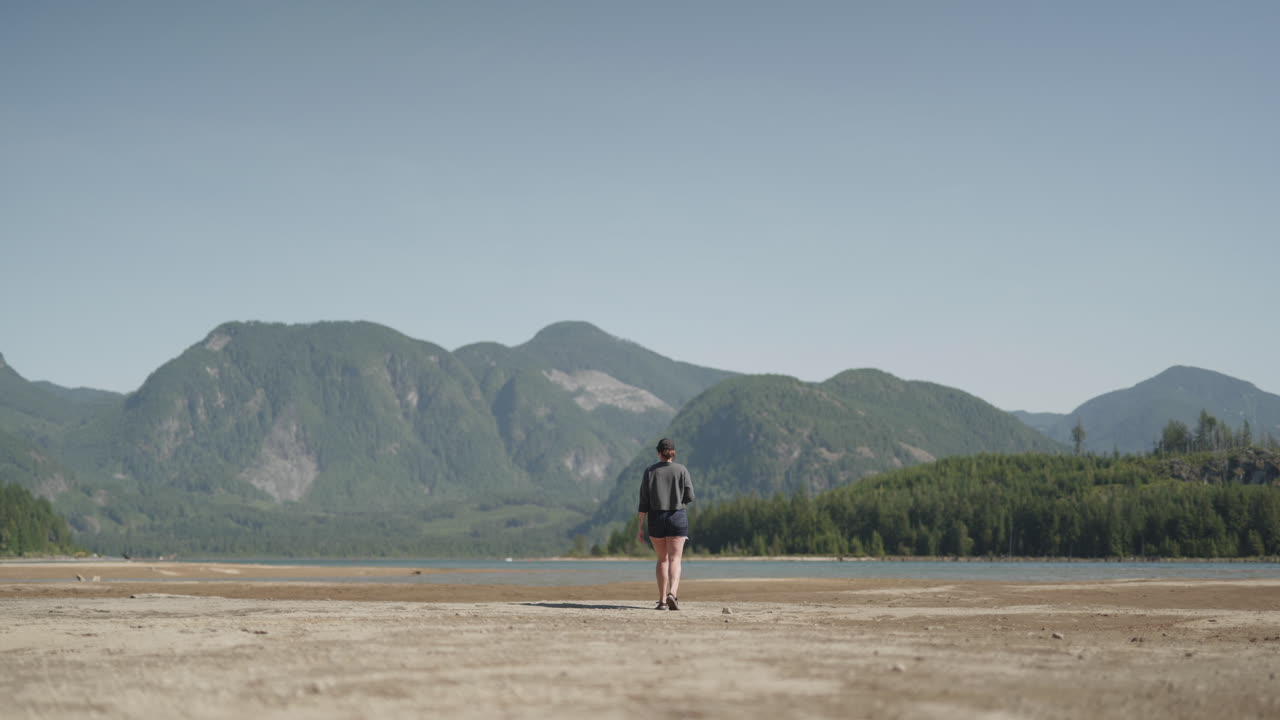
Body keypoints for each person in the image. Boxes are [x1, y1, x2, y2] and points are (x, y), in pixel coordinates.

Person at [636, 437, 694, 610]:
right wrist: (678, 499)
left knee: (662, 559)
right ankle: (672, 594)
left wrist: (640, 527)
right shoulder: (682, 470)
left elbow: (643, 503)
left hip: (656, 518)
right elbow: (690, 496)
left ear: (658, 452)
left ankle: (662, 601)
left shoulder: (650, 472)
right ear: (673, 452)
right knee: (675, 559)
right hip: (677, 517)